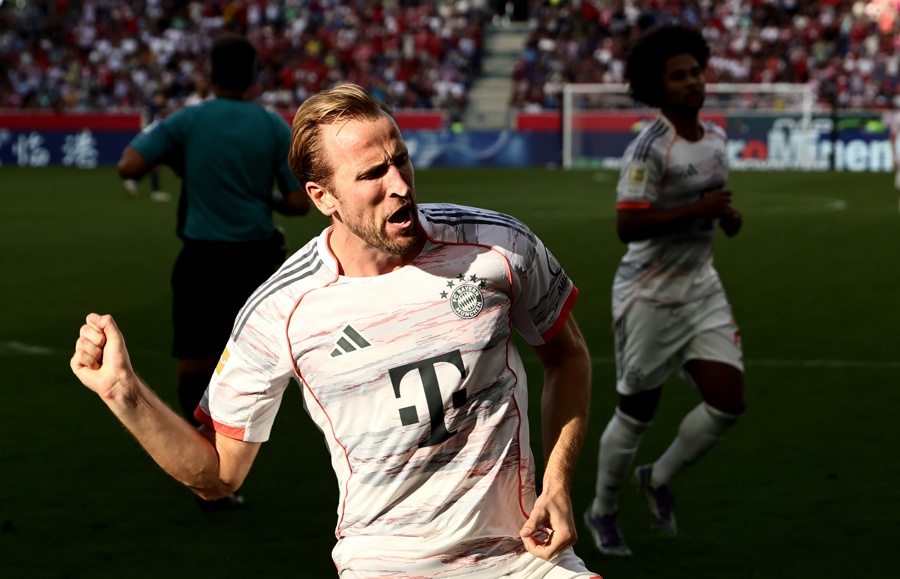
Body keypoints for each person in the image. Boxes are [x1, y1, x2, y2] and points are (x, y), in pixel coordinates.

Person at [73, 83, 601, 578]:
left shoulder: (498, 246)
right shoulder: (281, 309)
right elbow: (219, 476)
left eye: (401, 161)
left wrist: (556, 482)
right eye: (372, 174)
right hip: (386, 564)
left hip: (525, 555)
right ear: (322, 197)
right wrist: (126, 394)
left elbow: (568, 355)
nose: (399, 185)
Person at [116, 34, 309, 510]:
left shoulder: (190, 119)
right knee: (256, 368)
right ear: (255, 75)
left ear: (208, 72)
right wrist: (257, 196)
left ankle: (206, 466)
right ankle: (235, 459)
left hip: (202, 258)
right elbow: (299, 202)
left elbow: (129, 164)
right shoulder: (272, 126)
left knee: (194, 364)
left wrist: (182, 160)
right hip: (256, 261)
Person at [583, 24, 746, 556]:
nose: (692, 82)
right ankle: (602, 509)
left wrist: (724, 218)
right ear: (658, 87)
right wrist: (698, 211)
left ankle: (657, 477)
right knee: (637, 412)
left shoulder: (717, 139)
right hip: (648, 295)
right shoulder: (648, 149)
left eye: (695, 71)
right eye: (678, 76)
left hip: (701, 288)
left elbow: (713, 201)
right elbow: (628, 226)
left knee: (727, 401)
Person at [123, 89, 170, 200]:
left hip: (147, 137)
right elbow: (150, 125)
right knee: (154, 163)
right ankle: (154, 192)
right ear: (157, 97)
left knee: (152, 164)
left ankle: (134, 181)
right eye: (162, 98)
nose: (163, 101)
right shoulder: (152, 108)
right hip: (150, 138)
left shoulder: (152, 108)